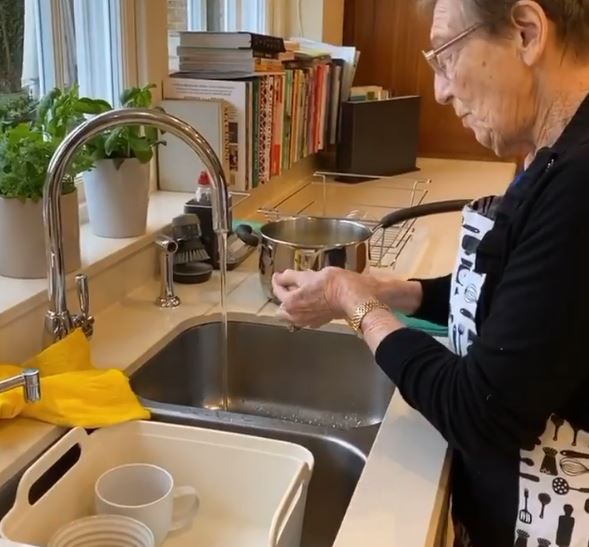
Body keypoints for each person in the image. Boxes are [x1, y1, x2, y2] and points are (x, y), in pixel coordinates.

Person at [272, 1, 589, 545]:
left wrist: (357, 304)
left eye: (445, 55)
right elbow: (523, 304)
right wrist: (390, 291)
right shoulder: (557, 154)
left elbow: (478, 410)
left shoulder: (580, 183)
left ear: (527, 33)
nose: (440, 91)